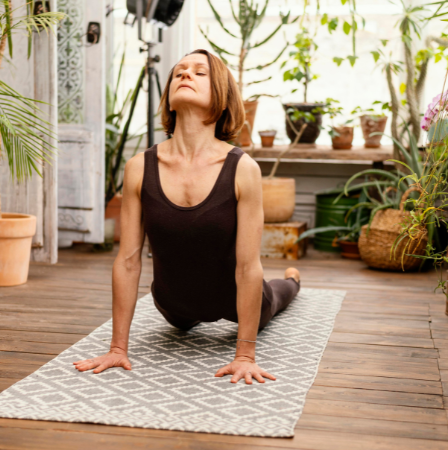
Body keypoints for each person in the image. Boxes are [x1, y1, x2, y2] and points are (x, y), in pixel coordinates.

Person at [73, 49, 301, 385]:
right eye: (179, 71)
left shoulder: (243, 169)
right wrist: (117, 348)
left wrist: (245, 355)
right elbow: (127, 261)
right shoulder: (139, 167)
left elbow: (248, 267)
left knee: (277, 295)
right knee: (180, 316)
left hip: (233, 298)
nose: (184, 75)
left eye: (199, 72)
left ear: (221, 97)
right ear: (168, 98)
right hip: (172, 301)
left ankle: (294, 279)